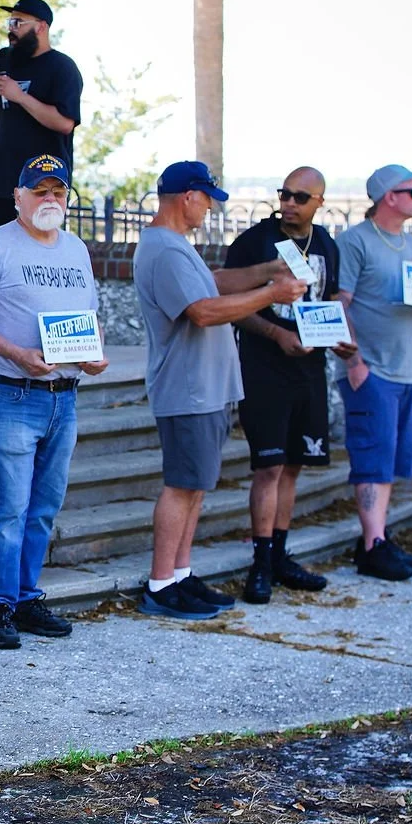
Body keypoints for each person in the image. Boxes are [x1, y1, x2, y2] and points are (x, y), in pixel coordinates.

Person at [136, 161, 305, 619]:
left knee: (195, 487)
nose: (209, 207)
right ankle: (159, 584)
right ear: (187, 196)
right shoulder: (166, 250)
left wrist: (268, 270)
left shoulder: (173, 246)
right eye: (207, 197)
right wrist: (272, 295)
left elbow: (213, 283)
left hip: (204, 387)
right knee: (182, 486)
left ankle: (179, 574)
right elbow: (205, 310)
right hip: (188, 388)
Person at [0, 154, 108, 647]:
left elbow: (88, 319)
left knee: (44, 505)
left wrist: (93, 355)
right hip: (15, 392)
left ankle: (26, 597)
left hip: (66, 394)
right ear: (18, 196)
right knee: (10, 507)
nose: (49, 199)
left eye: (57, 192)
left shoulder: (76, 250)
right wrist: (16, 354)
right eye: (39, 191)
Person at [222, 166, 347, 603]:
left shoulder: (326, 244)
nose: (290, 203)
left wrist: (341, 338)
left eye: (300, 197)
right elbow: (228, 304)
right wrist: (277, 334)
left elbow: (331, 300)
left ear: (318, 202)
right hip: (264, 366)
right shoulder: (255, 242)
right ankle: (259, 562)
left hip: (310, 369)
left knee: (294, 464)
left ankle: (279, 554)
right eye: (285, 194)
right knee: (269, 466)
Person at [336, 164, 412, 582]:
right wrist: (354, 362)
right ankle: (371, 544)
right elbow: (340, 303)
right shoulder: (355, 241)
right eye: (411, 191)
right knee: (371, 458)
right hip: (372, 369)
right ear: (388, 197)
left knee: (393, 460)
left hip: (409, 369)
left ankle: (378, 538)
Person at [0, 0, 83, 225]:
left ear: (41, 27)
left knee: (39, 254)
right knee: (0, 256)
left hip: (43, 187)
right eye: (10, 23)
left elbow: (64, 123)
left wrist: (20, 97)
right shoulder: (4, 64)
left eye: (18, 22)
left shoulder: (62, 67)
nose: (11, 29)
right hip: (0, 185)